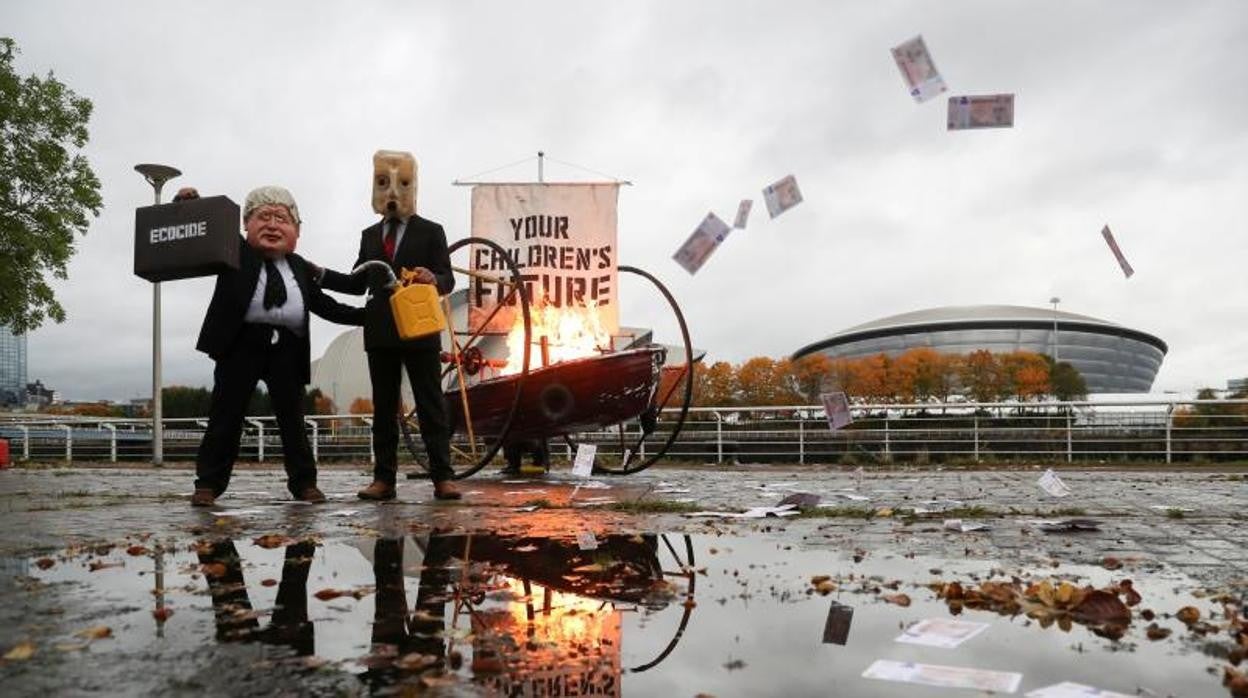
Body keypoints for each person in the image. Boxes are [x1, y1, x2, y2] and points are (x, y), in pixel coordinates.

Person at [191, 186, 364, 507]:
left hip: (288, 348)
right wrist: (190, 204)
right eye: (263, 217)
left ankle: (304, 483)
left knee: (293, 421)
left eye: (282, 219)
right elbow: (208, 230)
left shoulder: (299, 266)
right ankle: (208, 484)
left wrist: (370, 317)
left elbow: (327, 305)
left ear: (297, 231)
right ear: (246, 225)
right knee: (226, 416)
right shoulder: (235, 251)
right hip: (240, 344)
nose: (272, 225)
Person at [319, 150, 460, 501]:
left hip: (420, 327)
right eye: (383, 183)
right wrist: (319, 275)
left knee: (430, 404)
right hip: (380, 331)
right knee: (383, 407)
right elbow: (356, 282)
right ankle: (384, 479)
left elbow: (448, 279)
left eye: (401, 184)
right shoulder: (369, 236)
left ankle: (442, 476)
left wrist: (434, 278)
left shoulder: (431, 231)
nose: (393, 193)